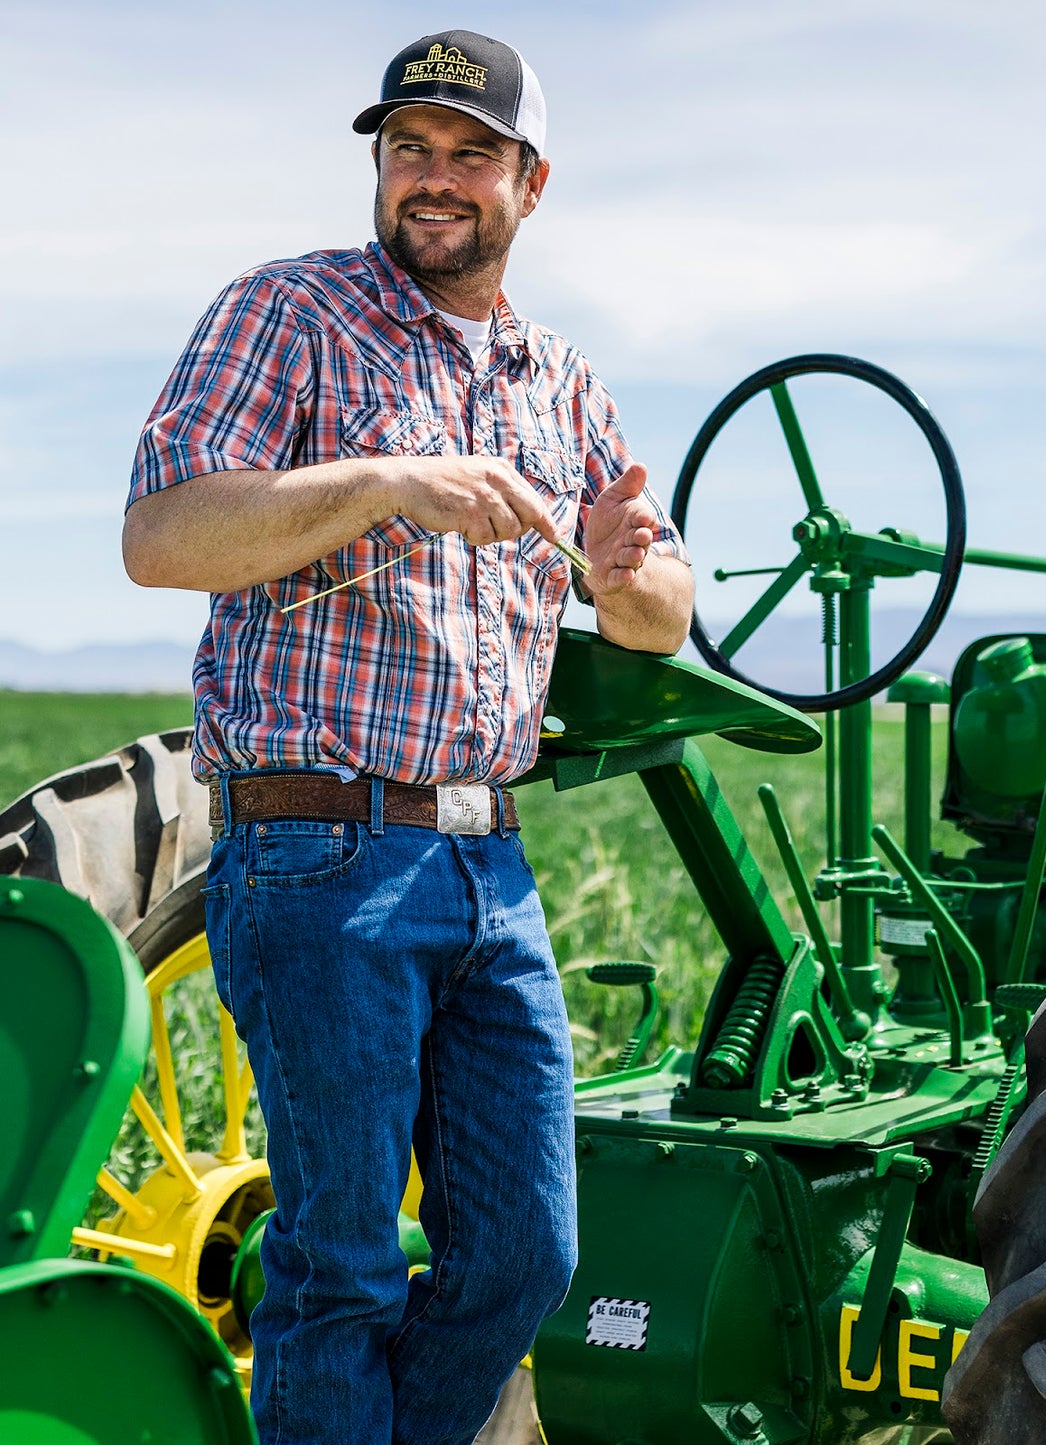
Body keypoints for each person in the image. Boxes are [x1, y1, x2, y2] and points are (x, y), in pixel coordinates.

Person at [122, 28, 693, 1445]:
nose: (432, 180)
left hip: (487, 869)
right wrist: (384, 481)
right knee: (341, 1266)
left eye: (469, 154)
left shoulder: (556, 378)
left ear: (529, 182)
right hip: (318, 850)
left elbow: (660, 615)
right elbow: (162, 535)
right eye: (408, 150)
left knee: (523, 1257)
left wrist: (628, 576)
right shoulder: (288, 313)